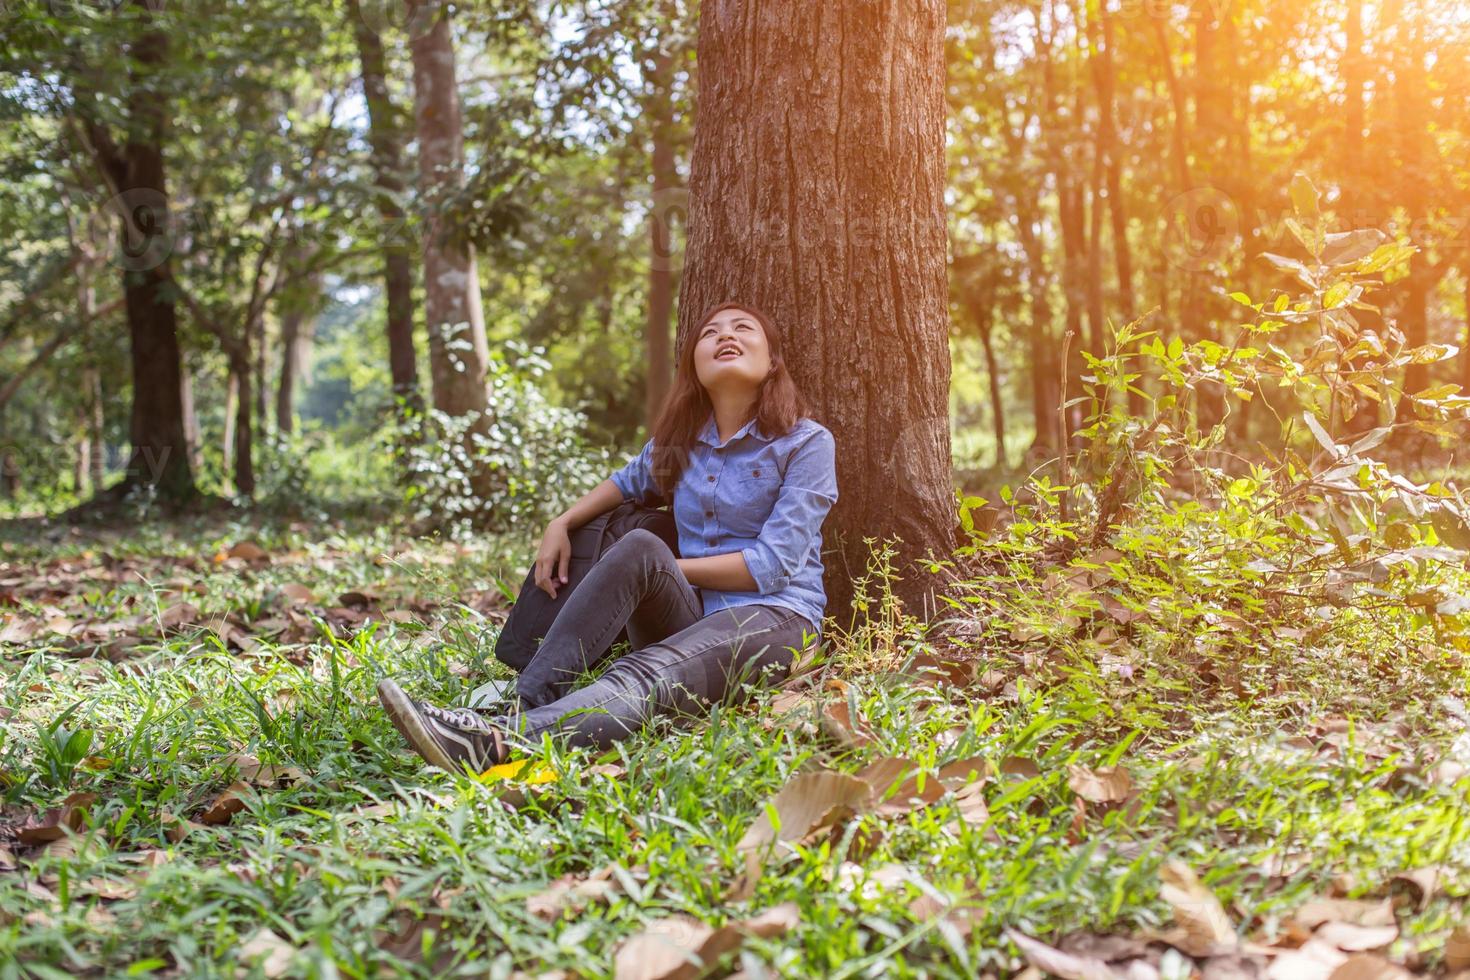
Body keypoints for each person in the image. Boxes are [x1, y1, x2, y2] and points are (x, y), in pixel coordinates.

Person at [376, 302, 840, 772]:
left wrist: (669, 570)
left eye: (743, 329)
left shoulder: (805, 443)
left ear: (772, 361)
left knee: (647, 671)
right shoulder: (679, 443)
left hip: (777, 618)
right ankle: (521, 703)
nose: (726, 336)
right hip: (690, 613)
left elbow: (773, 564)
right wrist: (560, 522)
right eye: (710, 333)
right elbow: (626, 481)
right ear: (695, 365)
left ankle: (499, 744)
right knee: (639, 547)